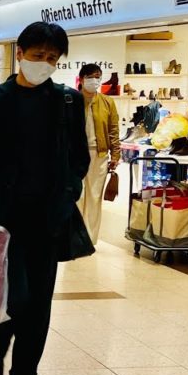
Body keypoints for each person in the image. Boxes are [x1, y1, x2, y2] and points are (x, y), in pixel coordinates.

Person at [0, 21, 90, 375]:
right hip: (2, 218)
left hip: (47, 220)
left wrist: (67, 191)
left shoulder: (67, 102)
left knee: (38, 305)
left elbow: (79, 158)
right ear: (20, 53)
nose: (45, 63)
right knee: (12, 297)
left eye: (52, 58)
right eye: (38, 56)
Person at [76, 64, 120, 244]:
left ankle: (90, 238)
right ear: (82, 78)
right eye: (92, 76)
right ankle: (75, 237)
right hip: (76, 155)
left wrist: (115, 155)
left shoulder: (107, 102)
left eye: (98, 77)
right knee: (78, 195)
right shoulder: (72, 99)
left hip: (100, 155)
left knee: (94, 196)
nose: (95, 80)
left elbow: (113, 130)